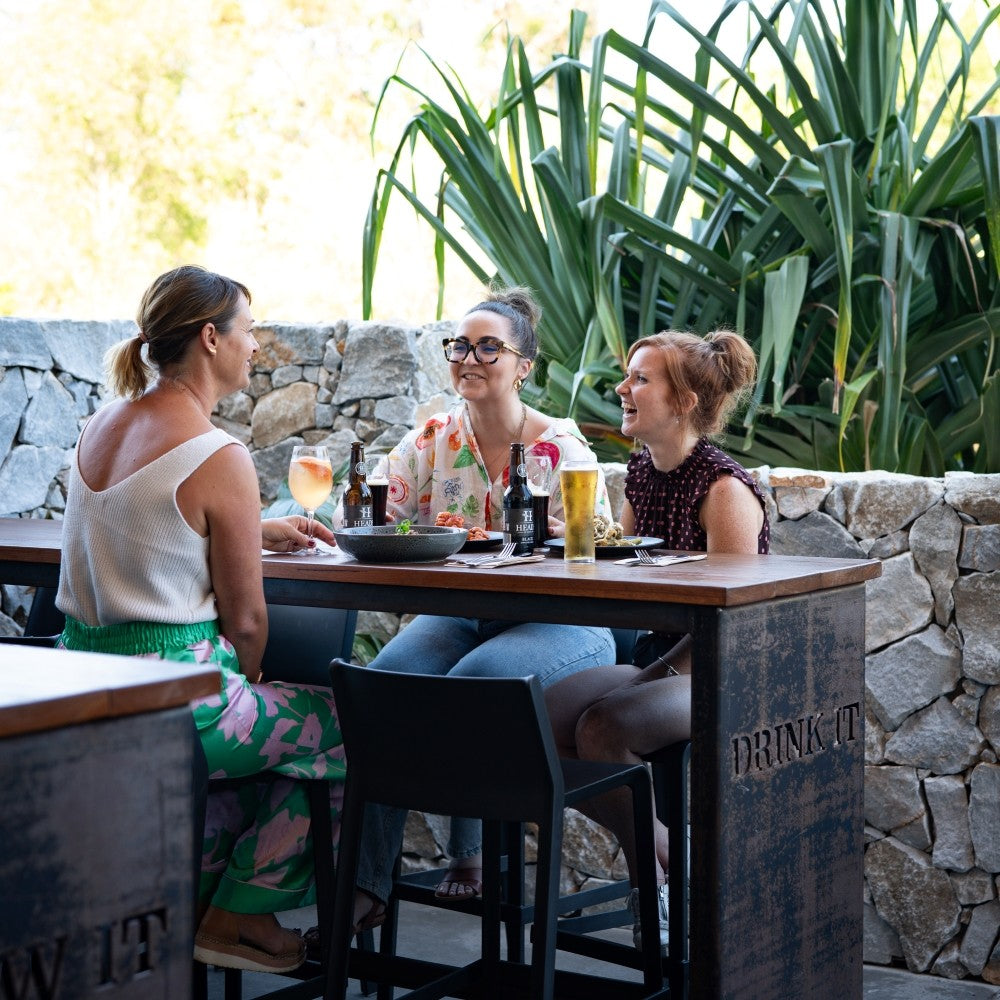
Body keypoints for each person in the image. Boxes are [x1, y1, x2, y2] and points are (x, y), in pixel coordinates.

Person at [55, 265, 346, 975]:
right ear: (211, 338)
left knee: (261, 757)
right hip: (178, 704)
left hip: (81, 691)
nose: (258, 346)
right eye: (249, 331)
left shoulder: (101, 425)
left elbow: (152, 532)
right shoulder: (218, 454)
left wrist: (256, 531)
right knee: (352, 726)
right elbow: (246, 624)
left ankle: (205, 911)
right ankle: (234, 912)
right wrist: (244, 685)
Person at [343, 285, 617, 928]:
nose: (470, 357)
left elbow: (598, 547)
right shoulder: (434, 439)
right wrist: (373, 514)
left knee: (474, 686)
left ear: (524, 365)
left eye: (489, 346)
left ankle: (480, 863)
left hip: (562, 622)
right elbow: (364, 509)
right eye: (461, 345)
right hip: (462, 615)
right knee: (382, 686)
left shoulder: (563, 450)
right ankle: (366, 888)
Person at [544, 329, 770, 953]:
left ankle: (657, 880)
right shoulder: (642, 472)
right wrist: (577, 544)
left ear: (686, 401)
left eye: (641, 378)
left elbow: (733, 616)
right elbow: (630, 567)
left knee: (603, 729)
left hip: (721, 667)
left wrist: (654, 676)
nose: (623, 388)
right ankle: (670, 855)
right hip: (662, 658)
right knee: (535, 719)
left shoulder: (725, 490)